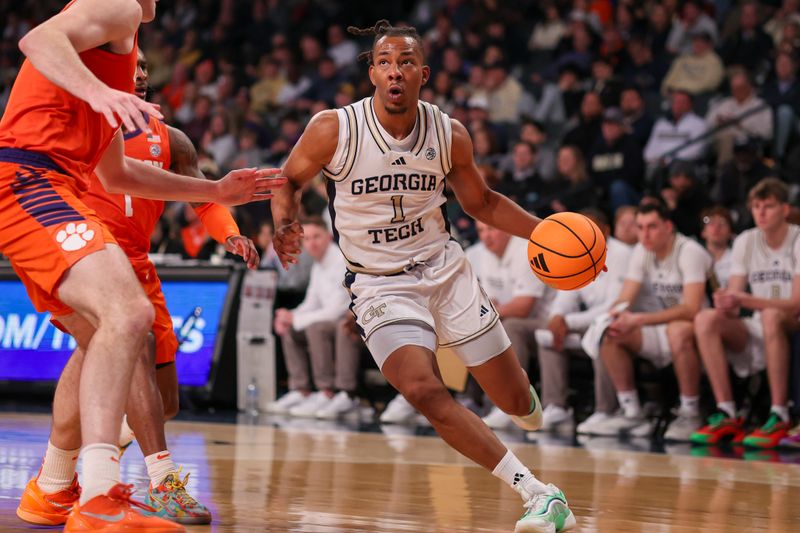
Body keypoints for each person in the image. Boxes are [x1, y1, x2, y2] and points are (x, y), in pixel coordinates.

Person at [271, 20, 576, 533]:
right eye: (385, 62)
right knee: (424, 391)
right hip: (378, 284)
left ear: (423, 74)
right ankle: (539, 495)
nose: (395, 71)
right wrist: (284, 223)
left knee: (516, 401)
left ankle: (523, 400)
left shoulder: (448, 133)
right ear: (371, 73)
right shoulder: (333, 129)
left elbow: (482, 203)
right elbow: (287, 180)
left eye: (406, 62)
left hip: (445, 271)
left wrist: (544, 233)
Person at [0, 1, 282, 530]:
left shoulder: (127, 88)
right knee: (128, 315)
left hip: (62, 195)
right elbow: (37, 40)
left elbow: (116, 174)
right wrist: (101, 92)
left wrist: (214, 191)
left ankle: (56, 488)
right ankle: (102, 494)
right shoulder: (119, 7)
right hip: (32, 180)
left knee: (104, 337)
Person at [691, 179, 799, 449]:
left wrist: (745, 299)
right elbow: (736, 301)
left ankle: (780, 414)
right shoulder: (745, 240)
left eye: (769, 206)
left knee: (772, 315)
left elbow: (796, 304)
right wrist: (725, 299)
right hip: (759, 321)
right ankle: (727, 411)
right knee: (706, 318)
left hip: (791, 322)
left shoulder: (797, 238)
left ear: (785, 210)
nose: (761, 213)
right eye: (756, 207)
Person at [591, 202, 712, 441]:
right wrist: (614, 315)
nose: (644, 234)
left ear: (668, 226)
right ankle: (632, 412)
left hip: (700, 329)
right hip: (661, 325)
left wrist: (639, 319)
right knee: (612, 333)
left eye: (652, 227)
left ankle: (691, 411)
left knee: (677, 331)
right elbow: (626, 296)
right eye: (640, 227)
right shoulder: (641, 250)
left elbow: (691, 308)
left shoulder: (690, 251)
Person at [534, 209, 631, 433]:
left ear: (606, 231)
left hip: (620, 323)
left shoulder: (623, 254)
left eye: (592, 229)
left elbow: (614, 306)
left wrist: (568, 321)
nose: (585, 234)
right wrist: (558, 316)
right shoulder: (577, 250)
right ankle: (556, 407)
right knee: (547, 335)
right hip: (587, 323)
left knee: (602, 334)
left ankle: (606, 410)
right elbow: (568, 292)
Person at [267, 217, 363, 419]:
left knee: (316, 328)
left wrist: (297, 320)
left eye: (316, 237)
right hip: (331, 318)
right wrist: (290, 316)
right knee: (290, 329)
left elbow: (336, 309)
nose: (312, 243)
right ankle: (300, 390)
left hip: (350, 318)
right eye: (307, 238)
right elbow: (311, 302)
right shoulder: (318, 265)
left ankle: (328, 392)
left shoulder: (339, 261)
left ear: (328, 236)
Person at [468, 221, 555, 431]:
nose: (486, 236)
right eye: (481, 230)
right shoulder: (485, 253)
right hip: (511, 319)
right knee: (472, 327)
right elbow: (491, 300)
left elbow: (524, 307)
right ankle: (471, 399)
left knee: (508, 325)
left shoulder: (526, 250)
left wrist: (489, 312)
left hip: (549, 321)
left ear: (507, 229)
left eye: (491, 228)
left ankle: (513, 404)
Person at [700, 206, 734, 288]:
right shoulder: (696, 258)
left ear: (731, 233)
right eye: (711, 223)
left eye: (722, 223)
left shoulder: (737, 258)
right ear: (703, 232)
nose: (716, 227)